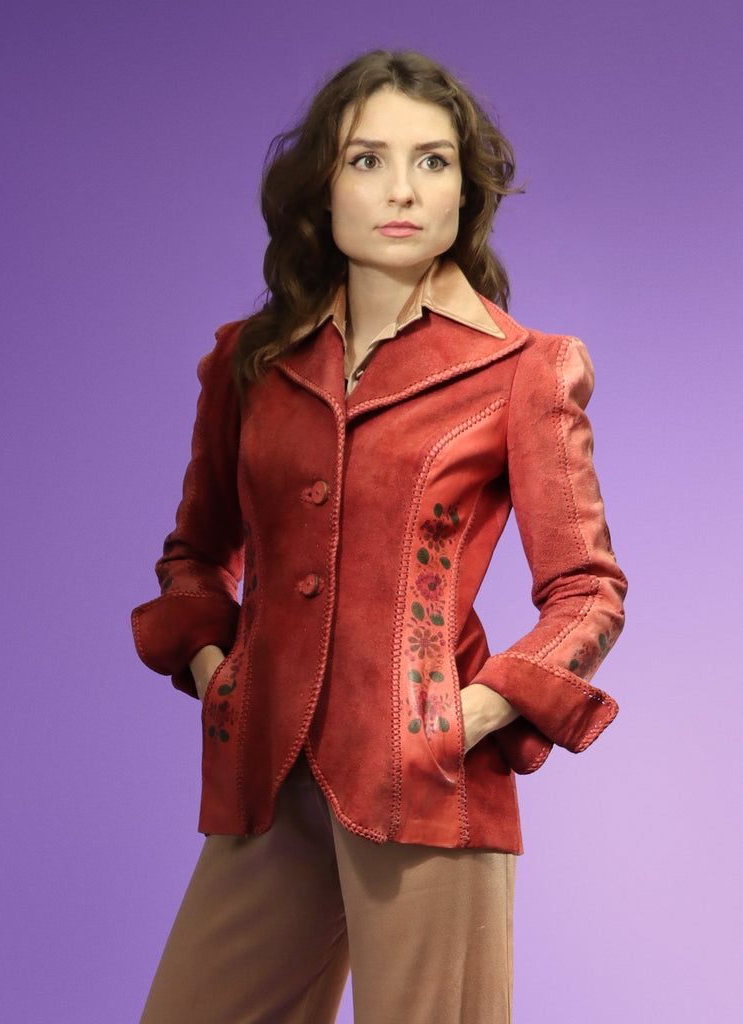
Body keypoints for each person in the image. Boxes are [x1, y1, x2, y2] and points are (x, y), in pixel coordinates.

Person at [131, 49, 627, 1024]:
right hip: (265, 774)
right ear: (323, 187)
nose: (402, 189)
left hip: (430, 786)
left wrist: (467, 715)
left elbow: (588, 591)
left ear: (463, 191)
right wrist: (214, 671)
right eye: (368, 160)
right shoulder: (248, 364)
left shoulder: (525, 369)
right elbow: (194, 553)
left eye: (431, 161)